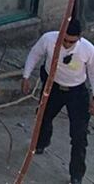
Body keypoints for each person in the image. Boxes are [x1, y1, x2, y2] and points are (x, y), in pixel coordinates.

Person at [22, 17, 94, 184]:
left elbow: (93, 73)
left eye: (71, 42)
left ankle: (76, 174)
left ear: (79, 38)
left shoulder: (87, 50)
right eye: (65, 40)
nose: (67, 45)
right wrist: (26, 76)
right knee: (43, 117)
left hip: (76, 91)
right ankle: (41, 142)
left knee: (79, 135)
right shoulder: (49, 39)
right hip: (52, 86)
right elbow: (35, 54)